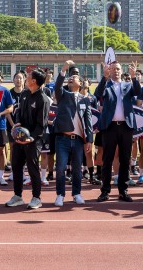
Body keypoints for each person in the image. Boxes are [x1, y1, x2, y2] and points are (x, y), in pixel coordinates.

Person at [94, 59, 142, 202]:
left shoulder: (128, 85)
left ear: (122, 71)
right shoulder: (107, 85)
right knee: (107, 160)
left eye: (118, 69)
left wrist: (134, 77)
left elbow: (138, 92)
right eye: (113, 69)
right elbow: (98, 93)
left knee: (125, 160)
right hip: (110, 127)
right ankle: (105, 191)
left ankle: (123, 190)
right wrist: (104, 76)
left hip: (126, 126)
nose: (116, 71)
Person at [7, 67, 52, 209]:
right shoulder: (25, 94)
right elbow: (19, 111)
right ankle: (17, 196)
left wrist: (31, 137)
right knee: (16, 166)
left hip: (34, 140)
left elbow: (42, 124)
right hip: (20, 138)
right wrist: (18, 123)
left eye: (28, 76)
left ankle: (36, 198)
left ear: (34, 81)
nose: (25, 78)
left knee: (33, 169)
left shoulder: (43, 99)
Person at [50, 61, 90, 206]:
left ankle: (76, 193)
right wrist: (63, 70)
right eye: (70, 77)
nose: (72, 78)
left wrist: (89, 140)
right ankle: (60, 194)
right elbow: (57, 86)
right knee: (60, 168)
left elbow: (88, 122)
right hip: (62, 139)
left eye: (75, 78)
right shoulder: (63, 95)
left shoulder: (85, 100)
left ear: (80, 84)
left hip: (78, 140)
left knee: (77, 169)